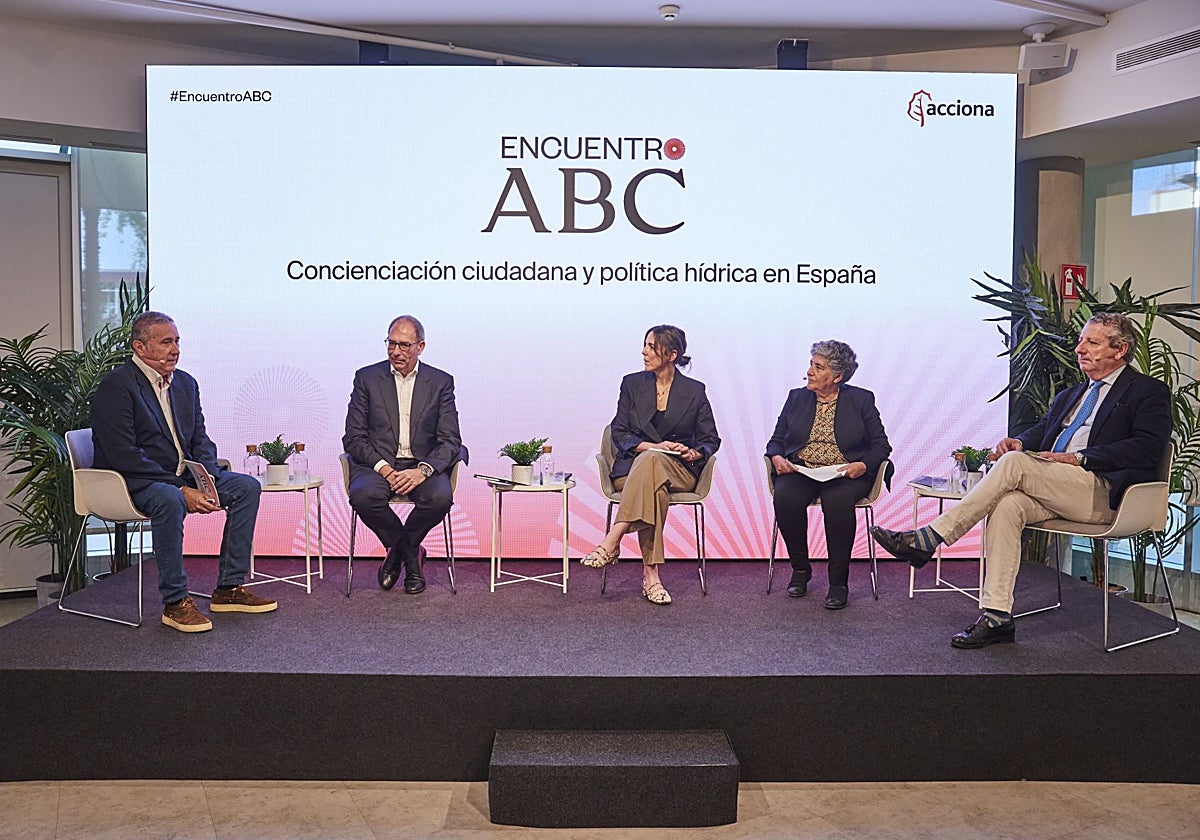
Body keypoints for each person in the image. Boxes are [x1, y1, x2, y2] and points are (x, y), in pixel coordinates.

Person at [872, 313, 1171, 648]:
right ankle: (997, 615)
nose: (1079, 349)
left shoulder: (1147, 392)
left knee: (1014, 466)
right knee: (1007, 504)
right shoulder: (1073, 394)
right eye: (1081, 340)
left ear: (1120, 350)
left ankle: (930, 538)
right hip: (1060, 487)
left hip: (1105, 493)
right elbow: (1043, 432)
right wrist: (1021, 442)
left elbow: (1147, 449)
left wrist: (1080, 458)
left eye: (1092, 342)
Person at [92, 311, 275, 633]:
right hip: (135, 481)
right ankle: (175, 602)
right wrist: (180, 488)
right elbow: (123, 454)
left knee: (246, 487)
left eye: (177, 341)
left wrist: (206, 478)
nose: (175, 349)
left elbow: (200, 439)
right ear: (140, 347)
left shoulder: (185, 384)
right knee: (169, 500)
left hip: (183, 476)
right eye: (166, 342)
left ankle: (229, 588)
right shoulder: (117, 387)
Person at [580, 325, 721, 605]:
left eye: (651, 346)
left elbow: (710, 439)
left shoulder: (694, 391)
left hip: (679, 470)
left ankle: (613, 538)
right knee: (655, 488)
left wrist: (693, 453)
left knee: (654, 464)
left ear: (671, 354)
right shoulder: (632, 384)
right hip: (632, 470)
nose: (644, 352)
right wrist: (653, 447)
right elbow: (619, 432)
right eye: (644, 345)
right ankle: (651, 577)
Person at [766, 340, 892, 610]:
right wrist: (777, 458)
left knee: (837, 502)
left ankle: (838, 583)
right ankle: (800, 570)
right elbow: (775, 442)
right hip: (804, 470)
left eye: (818, 367)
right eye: (811, 365)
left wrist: (863, 465)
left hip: (845, 473)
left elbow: (881, 446)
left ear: (837, 376)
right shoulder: (796, 397)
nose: (809, 371)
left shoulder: (860, 399)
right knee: (785, 497)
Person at [343, 315, 462, 595]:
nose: (396, 351)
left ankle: (396, 553)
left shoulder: (441, 382)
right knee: (362, 495)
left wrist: (422, 471)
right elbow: (353, 437)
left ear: (420, 347)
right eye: (391, 343)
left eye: (404, 345)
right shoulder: (367, 378)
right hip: (377, 465)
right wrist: (385, 469)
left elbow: (450, 440)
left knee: (440, 497)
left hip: (422, 466)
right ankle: (411, 555)